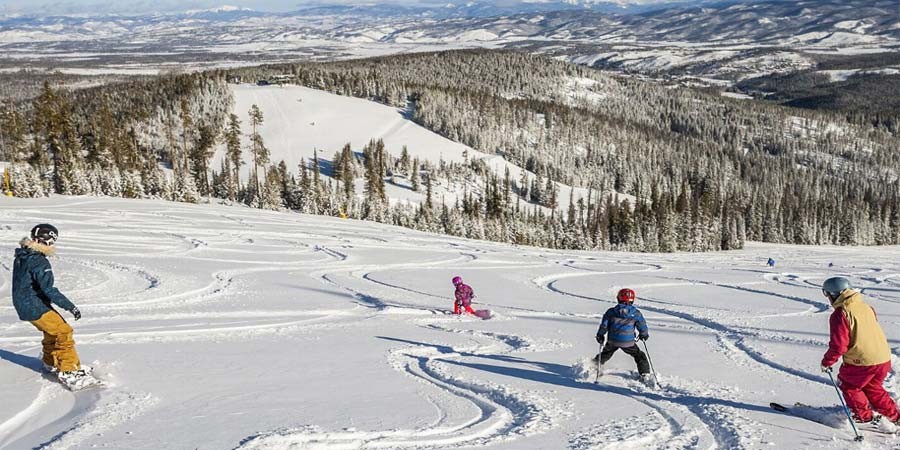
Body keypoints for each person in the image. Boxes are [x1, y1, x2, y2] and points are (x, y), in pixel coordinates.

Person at [12, 224, 96, 390]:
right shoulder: (38, 261)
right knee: (63, 332)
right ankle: (69, 370)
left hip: (24, 304)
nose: (52, 244)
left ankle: (51, 362)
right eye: (51, 240)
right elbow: (49, 289)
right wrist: (70, 306)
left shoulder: (23, 255)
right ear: (45, 240)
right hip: (34, 305)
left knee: (51, 332)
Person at [821, 277, 899, 424]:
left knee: (849, 385)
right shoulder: (866, 307)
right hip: (883, 358)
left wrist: (827, 362)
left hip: (863, 361)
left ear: (833, 294)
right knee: (873, 387)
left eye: (827, 295)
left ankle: (863, 417)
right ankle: (894, 416)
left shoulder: (840, 314)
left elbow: (839, 345)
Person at [595, 288, 652, 383]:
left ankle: (594, 366)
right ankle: (644, 374)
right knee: (639, 356)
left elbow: (604, 325)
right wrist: (644, 335)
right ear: (632, 300)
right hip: (628, 342)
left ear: (618, 298)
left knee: (605, 353)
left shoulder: (611, 312)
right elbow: (642, 325)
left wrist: (600, 335)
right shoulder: (636, 313)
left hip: (612, 340)